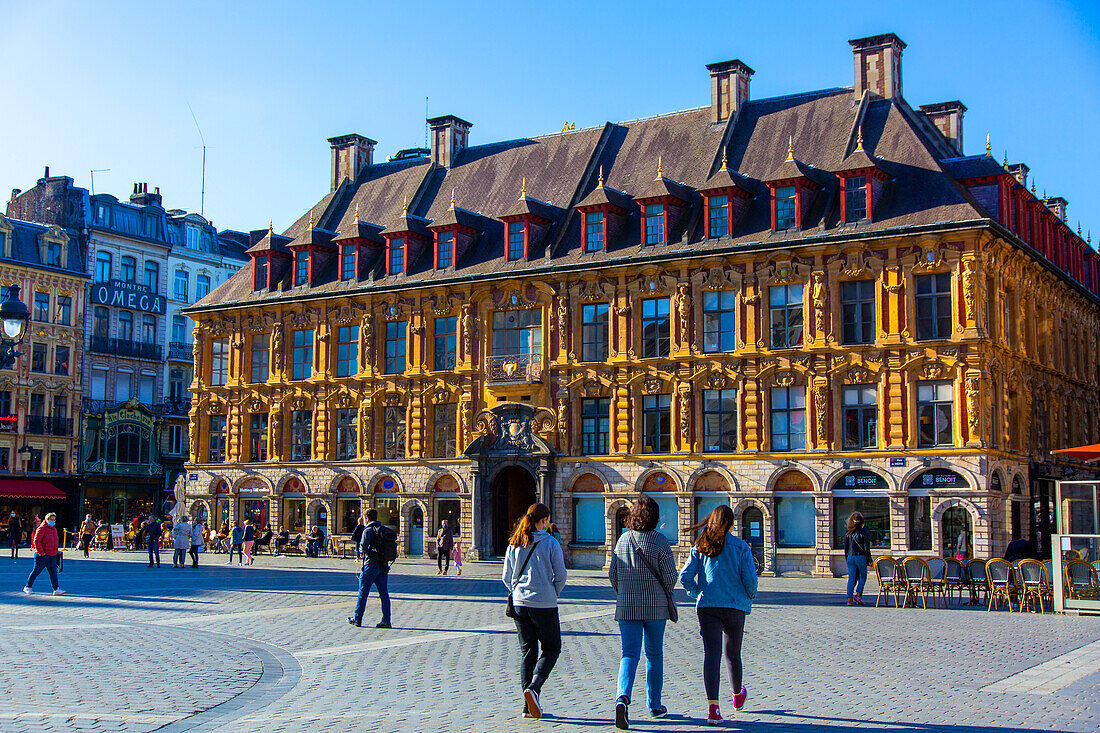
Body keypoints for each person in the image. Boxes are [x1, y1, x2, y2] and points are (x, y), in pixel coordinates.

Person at [679, 505, 757, 726]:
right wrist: (749, 596)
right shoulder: (741, 547)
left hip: (708, 606)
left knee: (711, 656)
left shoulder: (701, 546)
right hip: (735, 606)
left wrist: (697, 593)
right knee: (733, 653)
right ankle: (737, 696)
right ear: (732, 524)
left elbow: (685, 576)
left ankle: (713, 708)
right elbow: (750, 579)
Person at [609, 497, 677, 729]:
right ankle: (655, 705)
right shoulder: (660, 541)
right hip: (656, 607)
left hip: (627, 606)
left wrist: (625, 592)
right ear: (655, 517)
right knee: (654, 655)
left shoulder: (623, 540)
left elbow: (613, 575)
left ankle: (622, 698)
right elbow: (670, 578)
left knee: (628, 654)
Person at [502, 503, 567, 721]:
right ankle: (535, 688)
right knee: (552, 648)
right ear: (544, 520)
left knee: (528, 652)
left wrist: (517, 590)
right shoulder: (550, 543)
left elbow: (506, 576)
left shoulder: (515, 542)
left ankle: (526, 707)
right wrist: (552, 592)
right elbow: (561, 575)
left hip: (520, 603)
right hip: (544, 603)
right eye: (547, 519)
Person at [347, 508, 392, 629]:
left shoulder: (368, 530)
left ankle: (357, 618)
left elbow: (362, 548)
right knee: (384, 594)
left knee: (363, 592)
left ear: (367, 518)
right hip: (383, 566)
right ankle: (386, 620)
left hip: (370, 565)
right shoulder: (382, 529)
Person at [22, 512, 64, 595]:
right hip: (42, 555)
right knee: (36, 571)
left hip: (52, 555)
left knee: (53, 572)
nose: (52, 521)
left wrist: (55, 552)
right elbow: (36, 541)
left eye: (54, 520)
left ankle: (56, 589)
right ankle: (27, 586)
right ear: (47, 519)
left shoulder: (54, 529)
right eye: (51, 519)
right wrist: (41, 553)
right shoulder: (42, 528)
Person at [842, 512, 874, 607]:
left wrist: (847, 558)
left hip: (850, 557)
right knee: (863, 577)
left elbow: (846, 548)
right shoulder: (864, 533)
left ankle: (849, 599)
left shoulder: (848, 533)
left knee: (851, 578)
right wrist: (869, 560)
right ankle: (858, 595)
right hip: (861, 556)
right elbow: (866, 547)